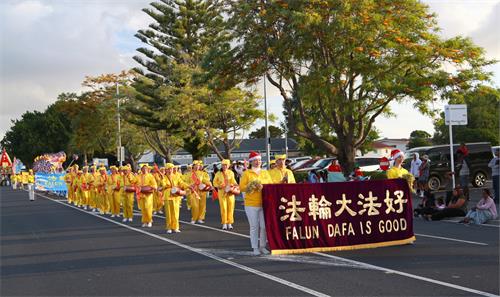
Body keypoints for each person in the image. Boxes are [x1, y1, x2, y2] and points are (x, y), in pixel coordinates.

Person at [239, 151, 273, 256]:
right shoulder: (246, 173)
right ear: (251, 162)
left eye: (259, 160)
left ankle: (262, 246)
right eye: (255, 160)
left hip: (264, 203)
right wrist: (251, 186)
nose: (257, 162)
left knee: (264, 226)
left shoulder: (265, 172)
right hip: (251, 204)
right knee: (254, 226)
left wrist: (263, 186)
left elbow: (271, 185)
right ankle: (255, 247)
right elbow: (241, 187)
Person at [161, 163, 188, 233]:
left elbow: (181, 183)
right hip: (167, 197)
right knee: (169, 213)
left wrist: (187, 186)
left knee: (176, 213)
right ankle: (169, 227)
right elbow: (163, 185)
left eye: (171, 169)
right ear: (166, 170)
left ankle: (176, 227)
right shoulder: (164, 177)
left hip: (175, 196)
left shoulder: (176, 176)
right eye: (169, 169)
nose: (170, 170)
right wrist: (168, 186)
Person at [213, 159, 239, 230]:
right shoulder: (218, 173)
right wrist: (218, 186)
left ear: (228, 166)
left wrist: (236, 185)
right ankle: (224, 223)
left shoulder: (231, 172)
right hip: (222, 192)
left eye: (226, 165)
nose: (224, 166)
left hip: (230, 192)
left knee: (231, 207)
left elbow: (233, 181)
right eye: (223, 165)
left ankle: (230, 223)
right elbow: (214, 182)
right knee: (224, 208)